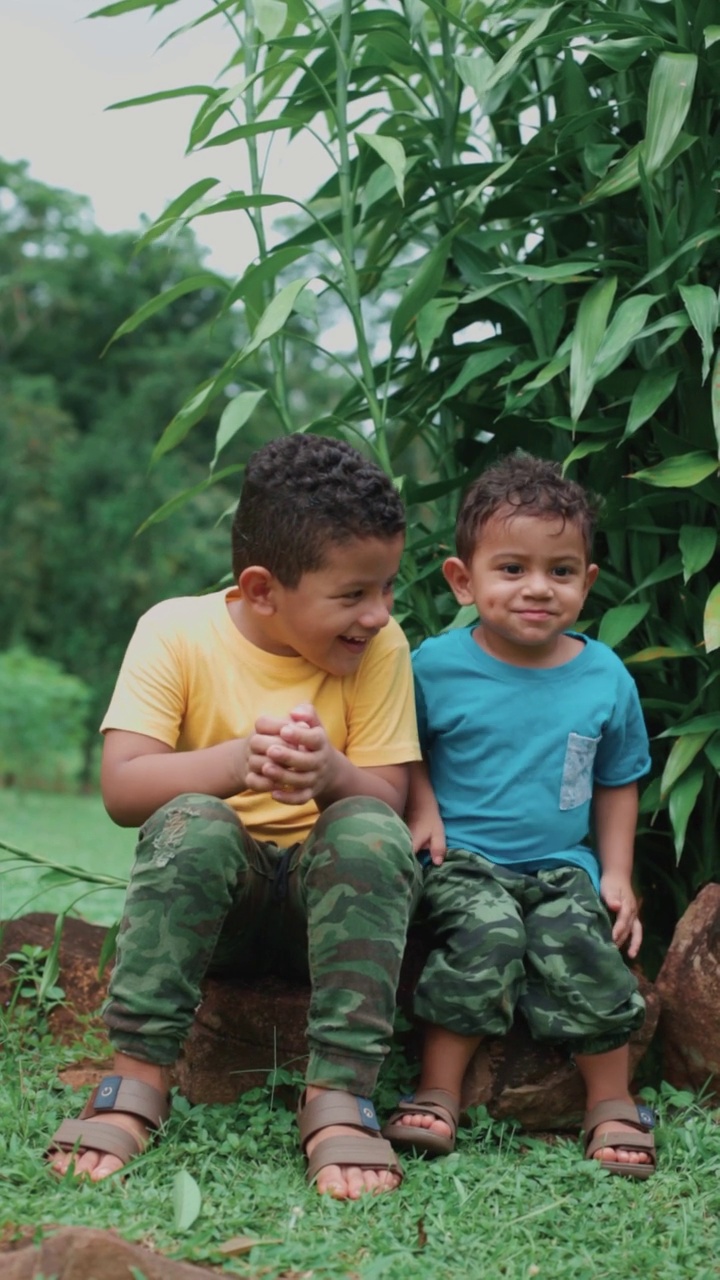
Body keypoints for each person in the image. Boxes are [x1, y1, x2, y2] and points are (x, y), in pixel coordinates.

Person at [47, 433, 423, 1199]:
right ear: (261, 589)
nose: (378, 614)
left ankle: (339, 1096)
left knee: (369, 827)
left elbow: (390, 800)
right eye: (353, 594)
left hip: (331, 912)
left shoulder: (382, 650)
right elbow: (123, 789)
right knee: (194, 818)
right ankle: (138, 1079)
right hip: (222, 909)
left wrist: (331, 775)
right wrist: (230, 765)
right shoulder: (175, 632)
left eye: (386, 588)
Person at [383, 453, 656, 1178]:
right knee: (488, 933)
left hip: (561, 863)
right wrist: (426, 807)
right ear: (462, 580)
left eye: (561, 571)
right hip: (461, 859)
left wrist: (618, 873)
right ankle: (439, 1092)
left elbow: (618, 777)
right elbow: (400, 746)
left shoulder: (603, 677)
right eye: (512, 569)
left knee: (583, 945)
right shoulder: (435, 665)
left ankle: (611, 1102)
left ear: (587, 583)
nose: (538, 588)